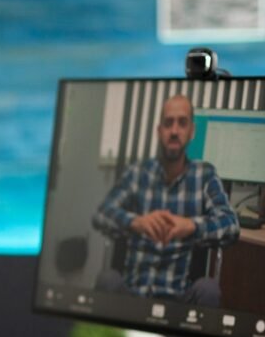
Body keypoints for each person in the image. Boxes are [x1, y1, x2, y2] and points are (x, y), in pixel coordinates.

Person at [92, 94, 239, 307]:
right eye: (168, 123)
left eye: (182, 123)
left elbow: (231, 225)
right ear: (159, 131)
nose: (174, 131)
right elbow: (102, 214)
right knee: (107, 280)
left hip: (178, 298)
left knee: (208, 289)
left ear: (192, 131)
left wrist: (191, 225)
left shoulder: (204, 175)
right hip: (133, 293)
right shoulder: (138, 173)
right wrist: (136, 222)